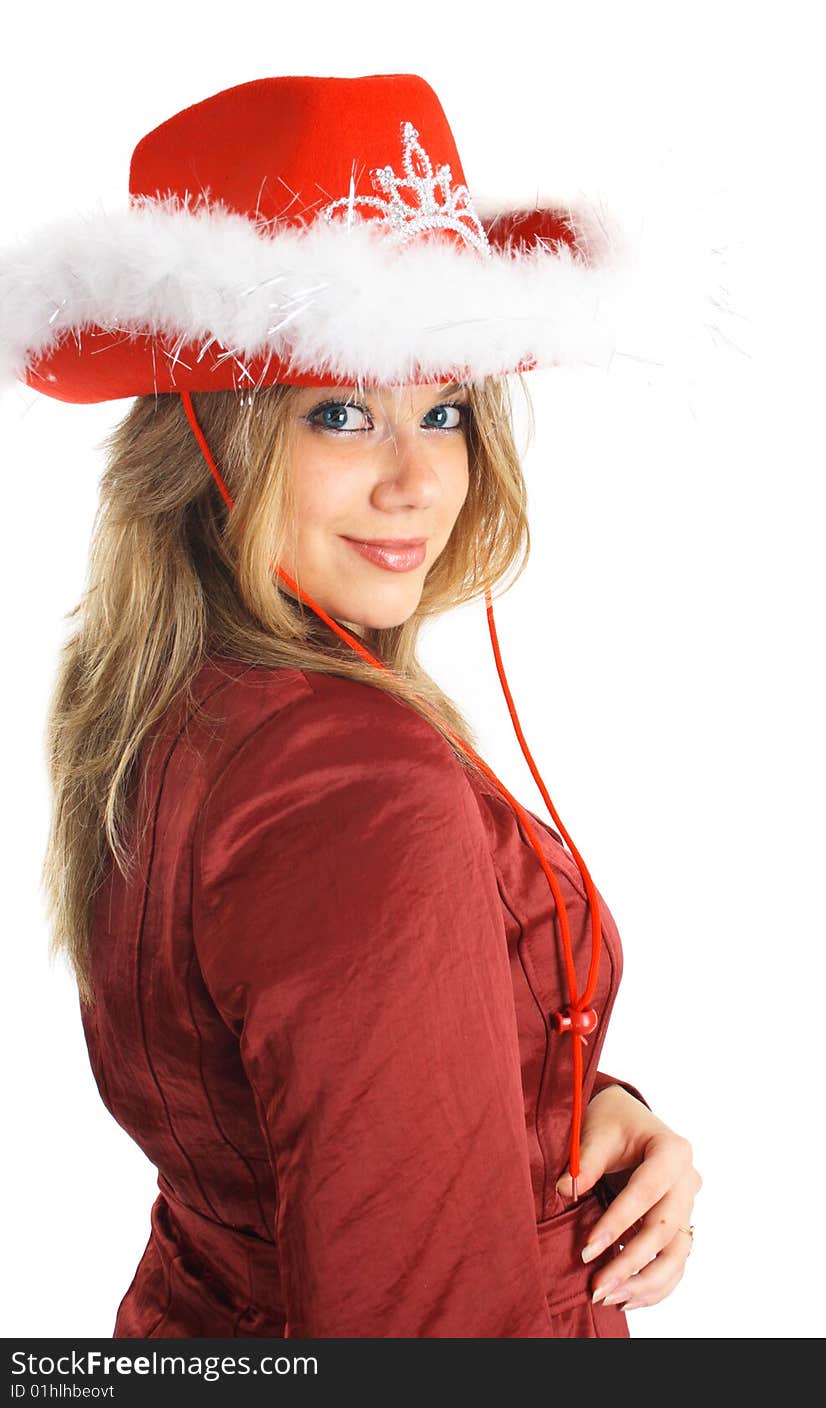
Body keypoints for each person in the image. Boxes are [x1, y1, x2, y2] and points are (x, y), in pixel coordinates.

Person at [2, 73, 701, 1338]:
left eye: (441, 409)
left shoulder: (167, 703)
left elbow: (281, 1121)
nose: (415, 480)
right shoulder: (355, 782)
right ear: (211, 443)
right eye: (339, 411)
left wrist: (574, 1105)